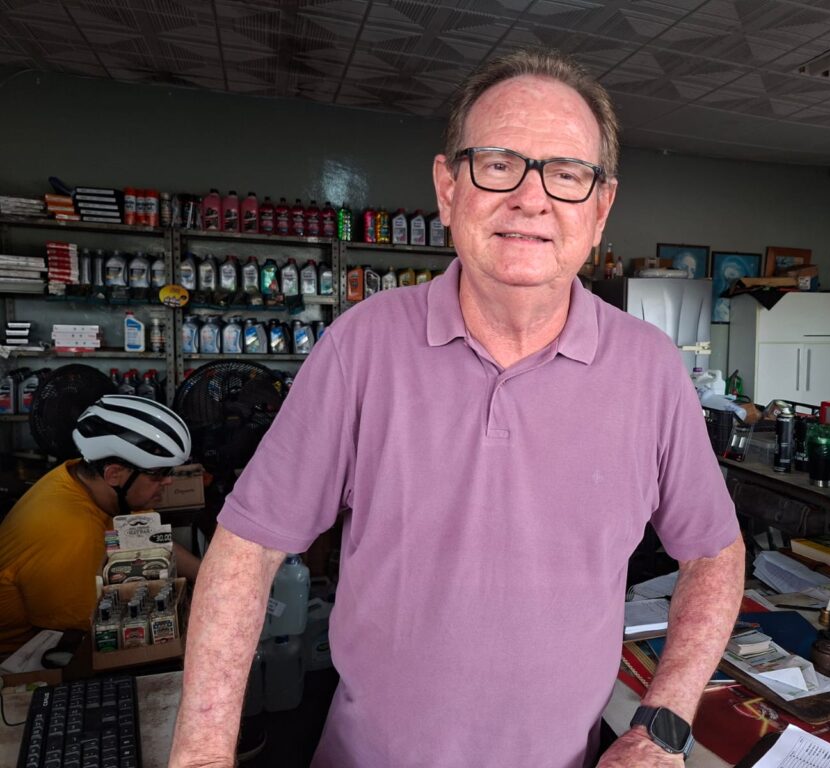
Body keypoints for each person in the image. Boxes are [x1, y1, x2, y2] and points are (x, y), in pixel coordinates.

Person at [170, 48, 744, 768]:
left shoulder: (651, 368)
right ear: (448, 190)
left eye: (567, 174)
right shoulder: (362, 345)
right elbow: (247, 547)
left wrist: (662, 729)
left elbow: (714, 554)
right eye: (499, 163)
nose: (530, 199)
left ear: (600, 209)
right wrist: (202, 751)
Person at [0, 394, 199, 655]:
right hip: (24, 655)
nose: (169, 481)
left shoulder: (85, 479)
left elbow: (150, 535)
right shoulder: (71, 530)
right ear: (113, 474)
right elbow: (86, 633)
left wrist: (209, 577)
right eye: (159, 473)